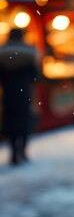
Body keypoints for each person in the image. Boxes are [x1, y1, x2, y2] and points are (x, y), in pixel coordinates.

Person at [0, 28, 38, 166]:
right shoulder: (30, 51)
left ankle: (13, 152)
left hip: (8, 93)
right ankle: (23, 151)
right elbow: (35, 74)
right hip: (25, 92)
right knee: (25, 121)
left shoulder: (2, 51)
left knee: (10, 122)